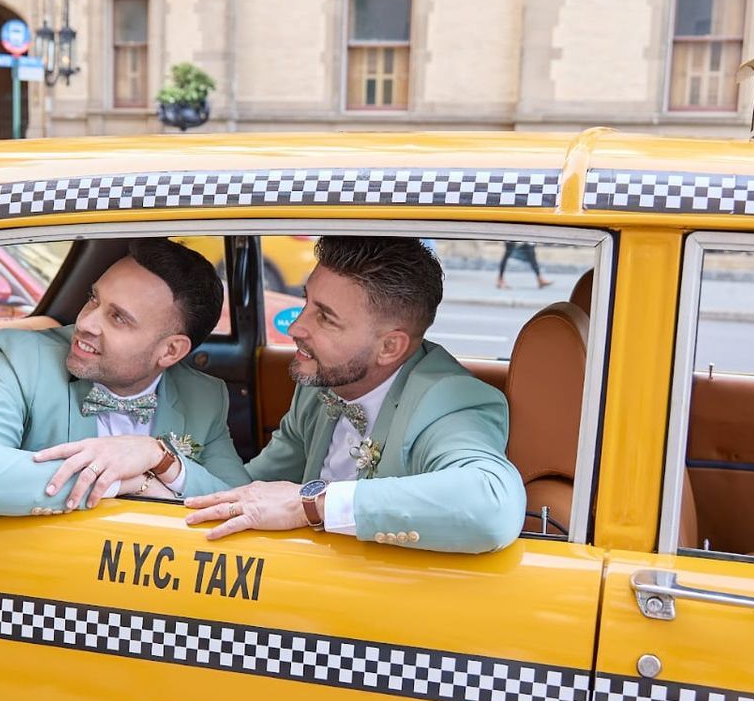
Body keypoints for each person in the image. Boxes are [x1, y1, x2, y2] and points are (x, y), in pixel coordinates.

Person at [186, 236, 525, 554]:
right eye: (306, 302)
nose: (295, 328)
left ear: (390, 347)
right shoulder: (319, 389)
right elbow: (250, 490)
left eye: (325, 318)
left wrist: (310, 504)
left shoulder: (446, 401)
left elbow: (493, 504)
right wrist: (167, 467)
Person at [0, 240, 249, 516]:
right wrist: (127, 482)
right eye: (93, 299)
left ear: (170, 351)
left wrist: (160, 458)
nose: (85, 323)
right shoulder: (26, 359)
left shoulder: (202, 397)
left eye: (118, 318)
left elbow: (242, 501)